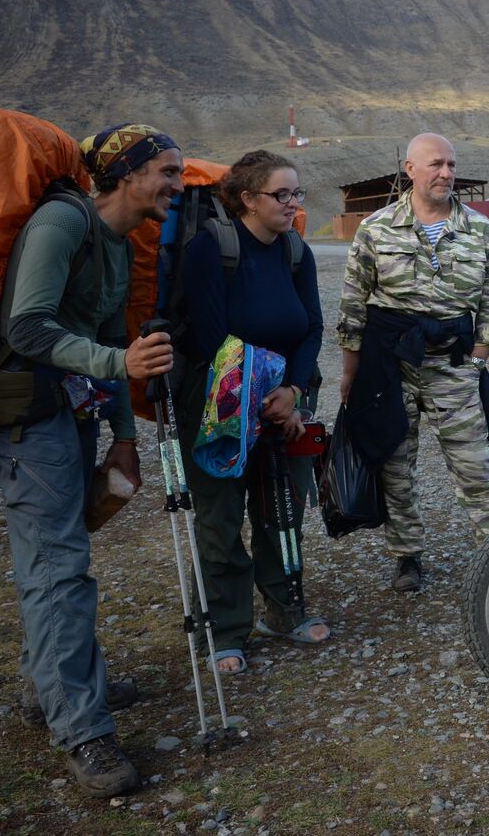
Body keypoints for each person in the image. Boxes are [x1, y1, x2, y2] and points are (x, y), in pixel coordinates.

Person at [0, 124, 180, 797]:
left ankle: (54, 688)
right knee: (58, 566)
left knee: (57, 560)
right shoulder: (60, 225)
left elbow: (104, 334)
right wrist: (112, 364)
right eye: (169, 172)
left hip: (74, 416)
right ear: (129, 174)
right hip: (29, 420)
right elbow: (28, 328)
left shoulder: (118, 245)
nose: (178, 186)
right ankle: (83, 731)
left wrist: (124, 434)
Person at [336, 133, 489, 593]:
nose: (447, 173)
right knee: (395, 466)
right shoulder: (376, 228)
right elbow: (354, 302)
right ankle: (407, 556)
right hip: (390, 363)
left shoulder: (480, 229)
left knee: (477, 467)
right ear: (410, 169)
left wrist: (479, 357)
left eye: (452, 165)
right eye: (436, 164)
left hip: (453, 362)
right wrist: (351, 371)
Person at [173, 150, 327, 676]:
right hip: (219, 403)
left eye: (296, 194)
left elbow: (312, 327)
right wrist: (262, 396)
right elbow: (214, 336)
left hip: (285, 404)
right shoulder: (211, 250)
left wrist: (293, 391)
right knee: (219, 517)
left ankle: (284, 612)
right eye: (280, 195)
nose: (292, 204)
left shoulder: (295, 251)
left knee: (282, 510)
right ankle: (225, 630)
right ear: (247, 199)